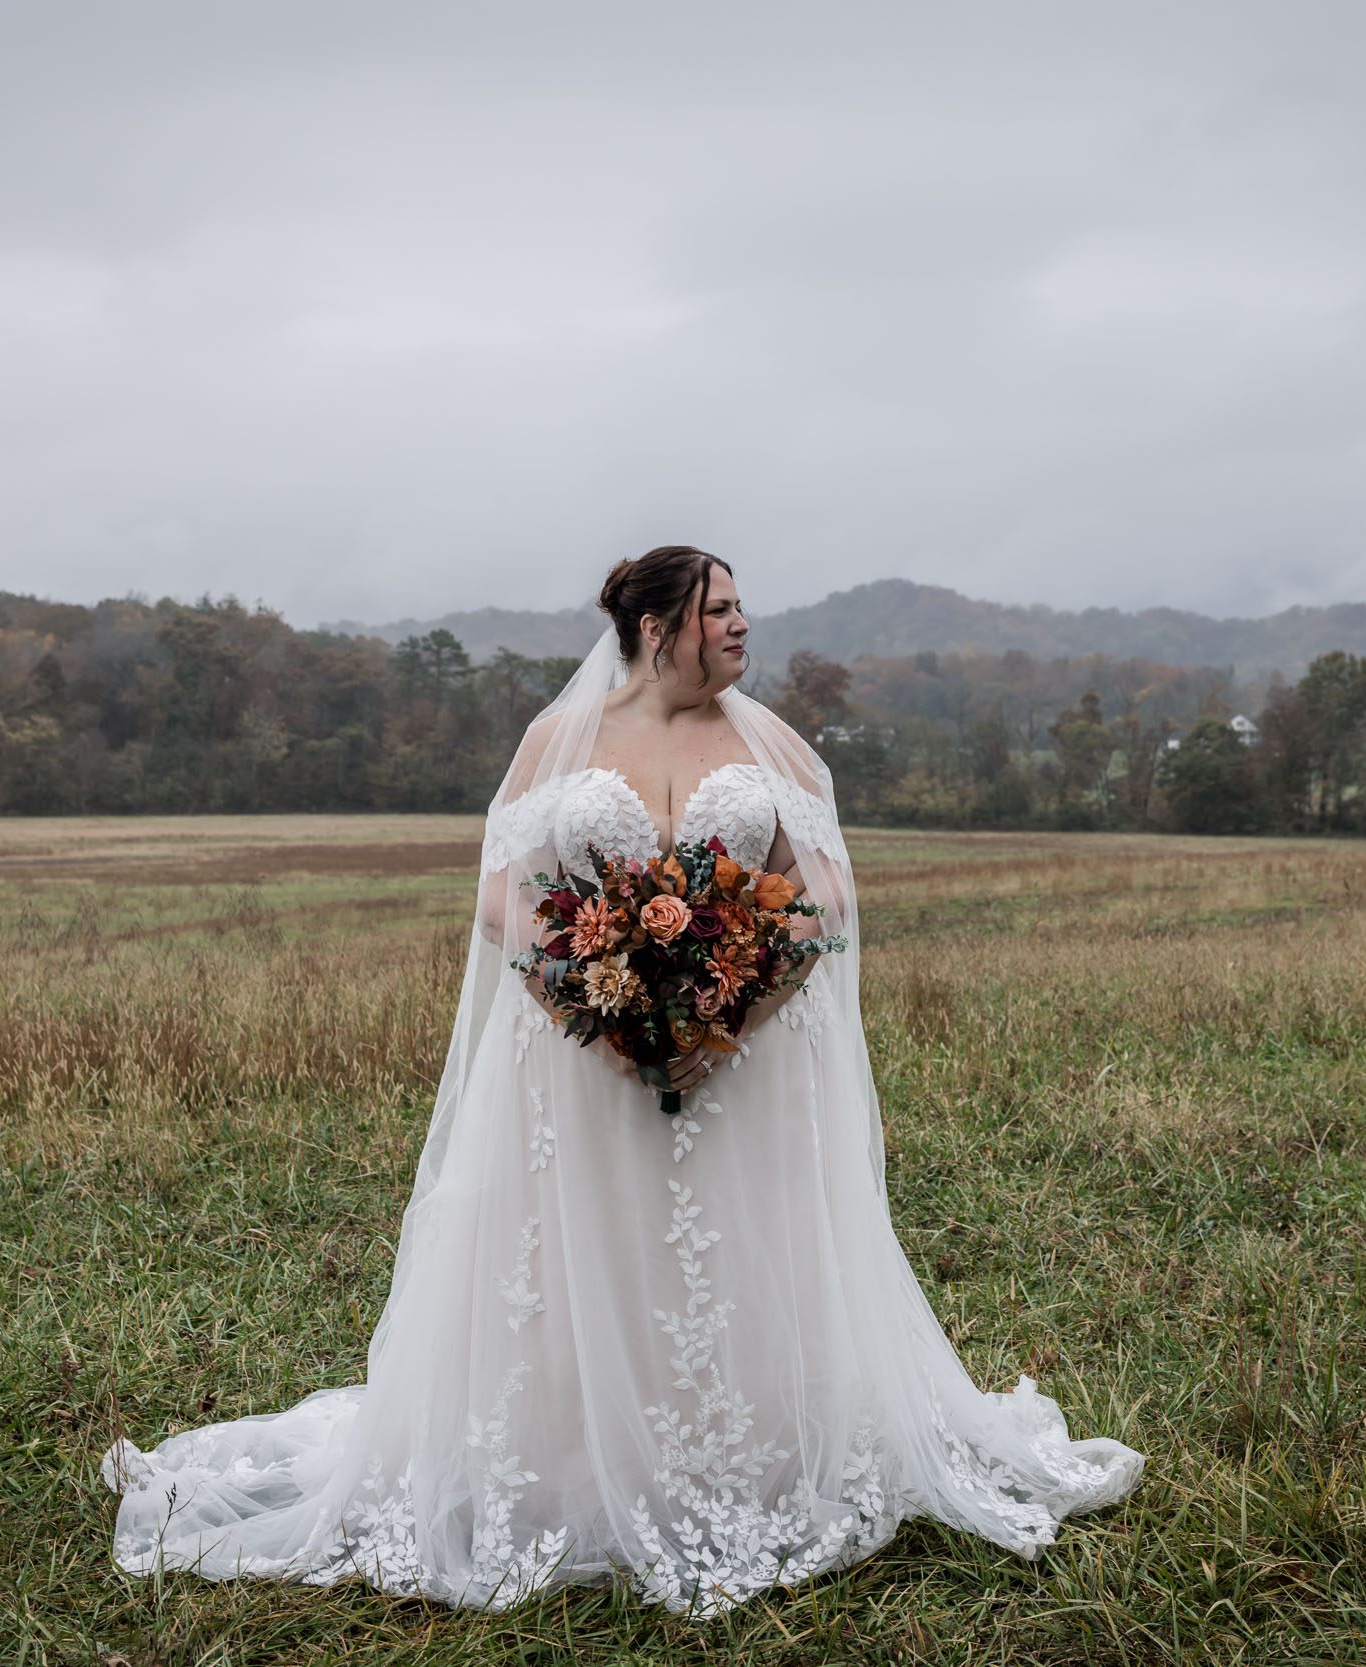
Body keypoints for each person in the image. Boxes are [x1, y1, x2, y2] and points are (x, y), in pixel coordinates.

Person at [103, 547, 1142, 1619]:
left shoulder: (768, 742)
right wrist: (585, 1013)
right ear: (656, 628)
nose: (744, 626)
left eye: (743, 608)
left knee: (729, 1245)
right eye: (721, 610)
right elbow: (502, 898)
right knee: (582, 1247)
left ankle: (745, 1450)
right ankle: (573, 1454)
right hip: (578, 1064)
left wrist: (729, 1018)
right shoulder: (561, 740)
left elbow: (821, 903)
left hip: (736, 1062)